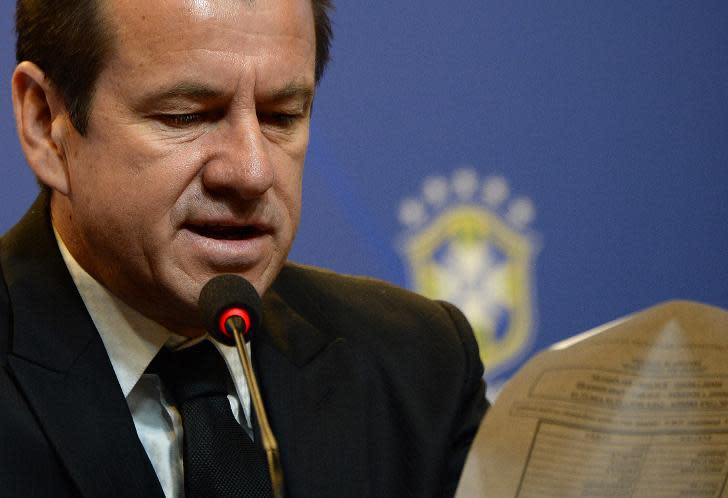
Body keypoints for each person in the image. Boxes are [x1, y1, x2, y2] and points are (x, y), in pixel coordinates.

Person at [0, 0, 488, 496]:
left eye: (281, 116)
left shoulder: (420, 368)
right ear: (45, 124)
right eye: (186, 115)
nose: (253, 173)